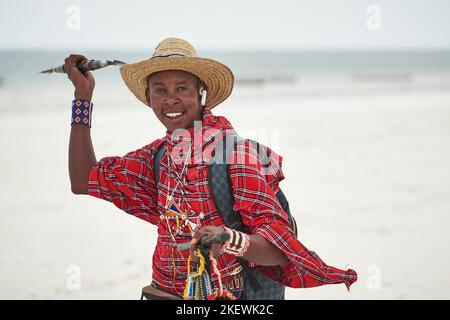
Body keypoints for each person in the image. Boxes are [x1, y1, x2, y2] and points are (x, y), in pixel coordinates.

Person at [66, 37, 357, 300]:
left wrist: (228, 238)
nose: (170, 100)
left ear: (201, 92)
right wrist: (83, 96)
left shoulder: (234, 155)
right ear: (149, 97)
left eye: (182, 88)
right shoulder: (156, 156)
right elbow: (83, 180)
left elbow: (279, 250)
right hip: (162, 292)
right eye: (160, 90)